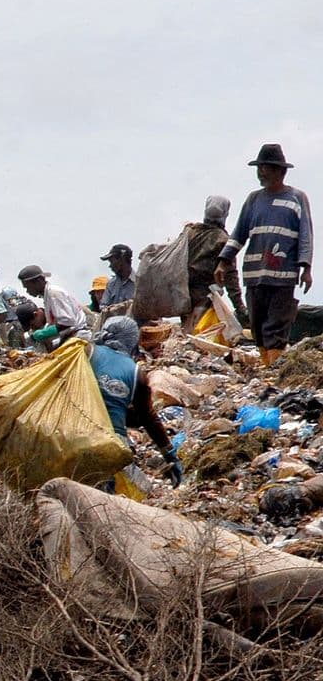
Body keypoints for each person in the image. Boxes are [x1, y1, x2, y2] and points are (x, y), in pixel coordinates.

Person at [219, 143, 314, 366]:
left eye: (267, 168)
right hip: (254, 274)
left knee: (277, 326)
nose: (262, 172)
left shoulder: (297, 199)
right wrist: (223, 262)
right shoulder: (253, 200)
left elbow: (306, 235)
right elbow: (239, 233)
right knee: (258, 326)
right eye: (260, 168)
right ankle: (266, 367)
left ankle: (272, 370)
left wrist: (306, 269)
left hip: (283, 275)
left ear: (281, 171)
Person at [90, 317, 181, 487]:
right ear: (132, 341)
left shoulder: (86, 353)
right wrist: (170, 455)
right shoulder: (136, 373)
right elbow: (148, 417)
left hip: (77, 428)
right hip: (112, 442)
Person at [184, 196, 244, 326]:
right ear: (225, 214)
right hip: (205, 299)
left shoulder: (190, 233)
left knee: (187, 333)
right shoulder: (224, 241)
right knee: (200, 334)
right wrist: (240, 309)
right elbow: (230, 277)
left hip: (183, 295)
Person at [15, 265, 88, 346]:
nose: (28, 291)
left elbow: (68, 322)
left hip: (78, 336)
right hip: (68, 336)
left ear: (38, 281)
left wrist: (44, 333)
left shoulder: (54, 293)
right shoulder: (47, 296)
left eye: (28, 287)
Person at [98, 244, 135, 314]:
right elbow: (103, 307)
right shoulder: (111, 284)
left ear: (122, 259)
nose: (110, 266)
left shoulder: (140, 283)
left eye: (112, 261)